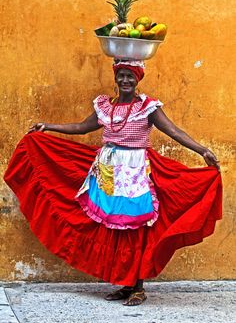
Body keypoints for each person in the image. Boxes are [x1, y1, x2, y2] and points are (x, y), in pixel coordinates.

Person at [4, 60, 222, 306]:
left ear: (138, 79)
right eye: (122, 76)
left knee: (137, 229)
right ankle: (126, 283)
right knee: (114, 229)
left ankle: (138, 287)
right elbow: (81, 127)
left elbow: (174, 132)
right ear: (116, 78)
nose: (125, 80)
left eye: (130, 76)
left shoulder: (148, 107)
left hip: (135, 172)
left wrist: (202, 150)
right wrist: (49, 126)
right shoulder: (105, 106)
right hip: (107, 171)